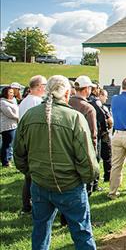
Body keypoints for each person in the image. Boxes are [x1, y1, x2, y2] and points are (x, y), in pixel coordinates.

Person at [13, 75, 99, 250]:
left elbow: (18, 154)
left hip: (40, 184)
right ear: (67, 93)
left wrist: (32, 173)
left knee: (40, 229)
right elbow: (88, 159)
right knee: (82, 232)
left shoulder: (30, 115)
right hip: (69, 186)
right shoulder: (74, 117)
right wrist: (87, 178)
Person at [18, 75, 47, 214]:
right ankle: (31, 205)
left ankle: (26, 205)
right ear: (40, 86)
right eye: (45, 85)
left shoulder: (24, 101)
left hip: (25, 140)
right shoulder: (37, 101)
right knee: (34, 177)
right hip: (34, 142)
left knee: (29, 176)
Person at [69, 76, 98, 193]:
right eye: (90, 88)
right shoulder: (88, 108)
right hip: (83, 148)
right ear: (86, 89)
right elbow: (93, 133)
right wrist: (94, 152)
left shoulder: (67, 102)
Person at [1, 86, 19, 167]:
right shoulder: (3, 102)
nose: (12, 94)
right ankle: (5, 162)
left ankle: (8, 159)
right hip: (7, 126)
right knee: (7, 144)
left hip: (13, 125)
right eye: (10, 92)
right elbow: (10, 114)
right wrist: (19, 117)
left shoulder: (11, 101)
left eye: (12, 92)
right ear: (5, 93)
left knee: (9, 144)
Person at [98, 89, 113, 182]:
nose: (107, 98)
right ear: (101, 95)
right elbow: (109, 120)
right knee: (107, 156)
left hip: (100, 133)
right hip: (104, 133)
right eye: (105, 96)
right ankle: (107, 176)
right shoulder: (102, 108)